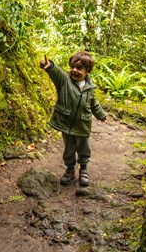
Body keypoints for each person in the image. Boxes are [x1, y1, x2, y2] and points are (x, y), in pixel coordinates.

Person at [40, 51, 107, 187]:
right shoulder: (65, 81)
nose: (74, 70)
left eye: (79, 68)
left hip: (83, 124)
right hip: (66, 124)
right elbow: (56, 72)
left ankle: (83, 169)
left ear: (87, 72)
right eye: (72, 67)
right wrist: (50, 66)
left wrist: (101, 115)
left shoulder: (90, 88)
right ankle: (70, 170)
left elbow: (93, 103)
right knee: (69, 149)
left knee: (84, 148)